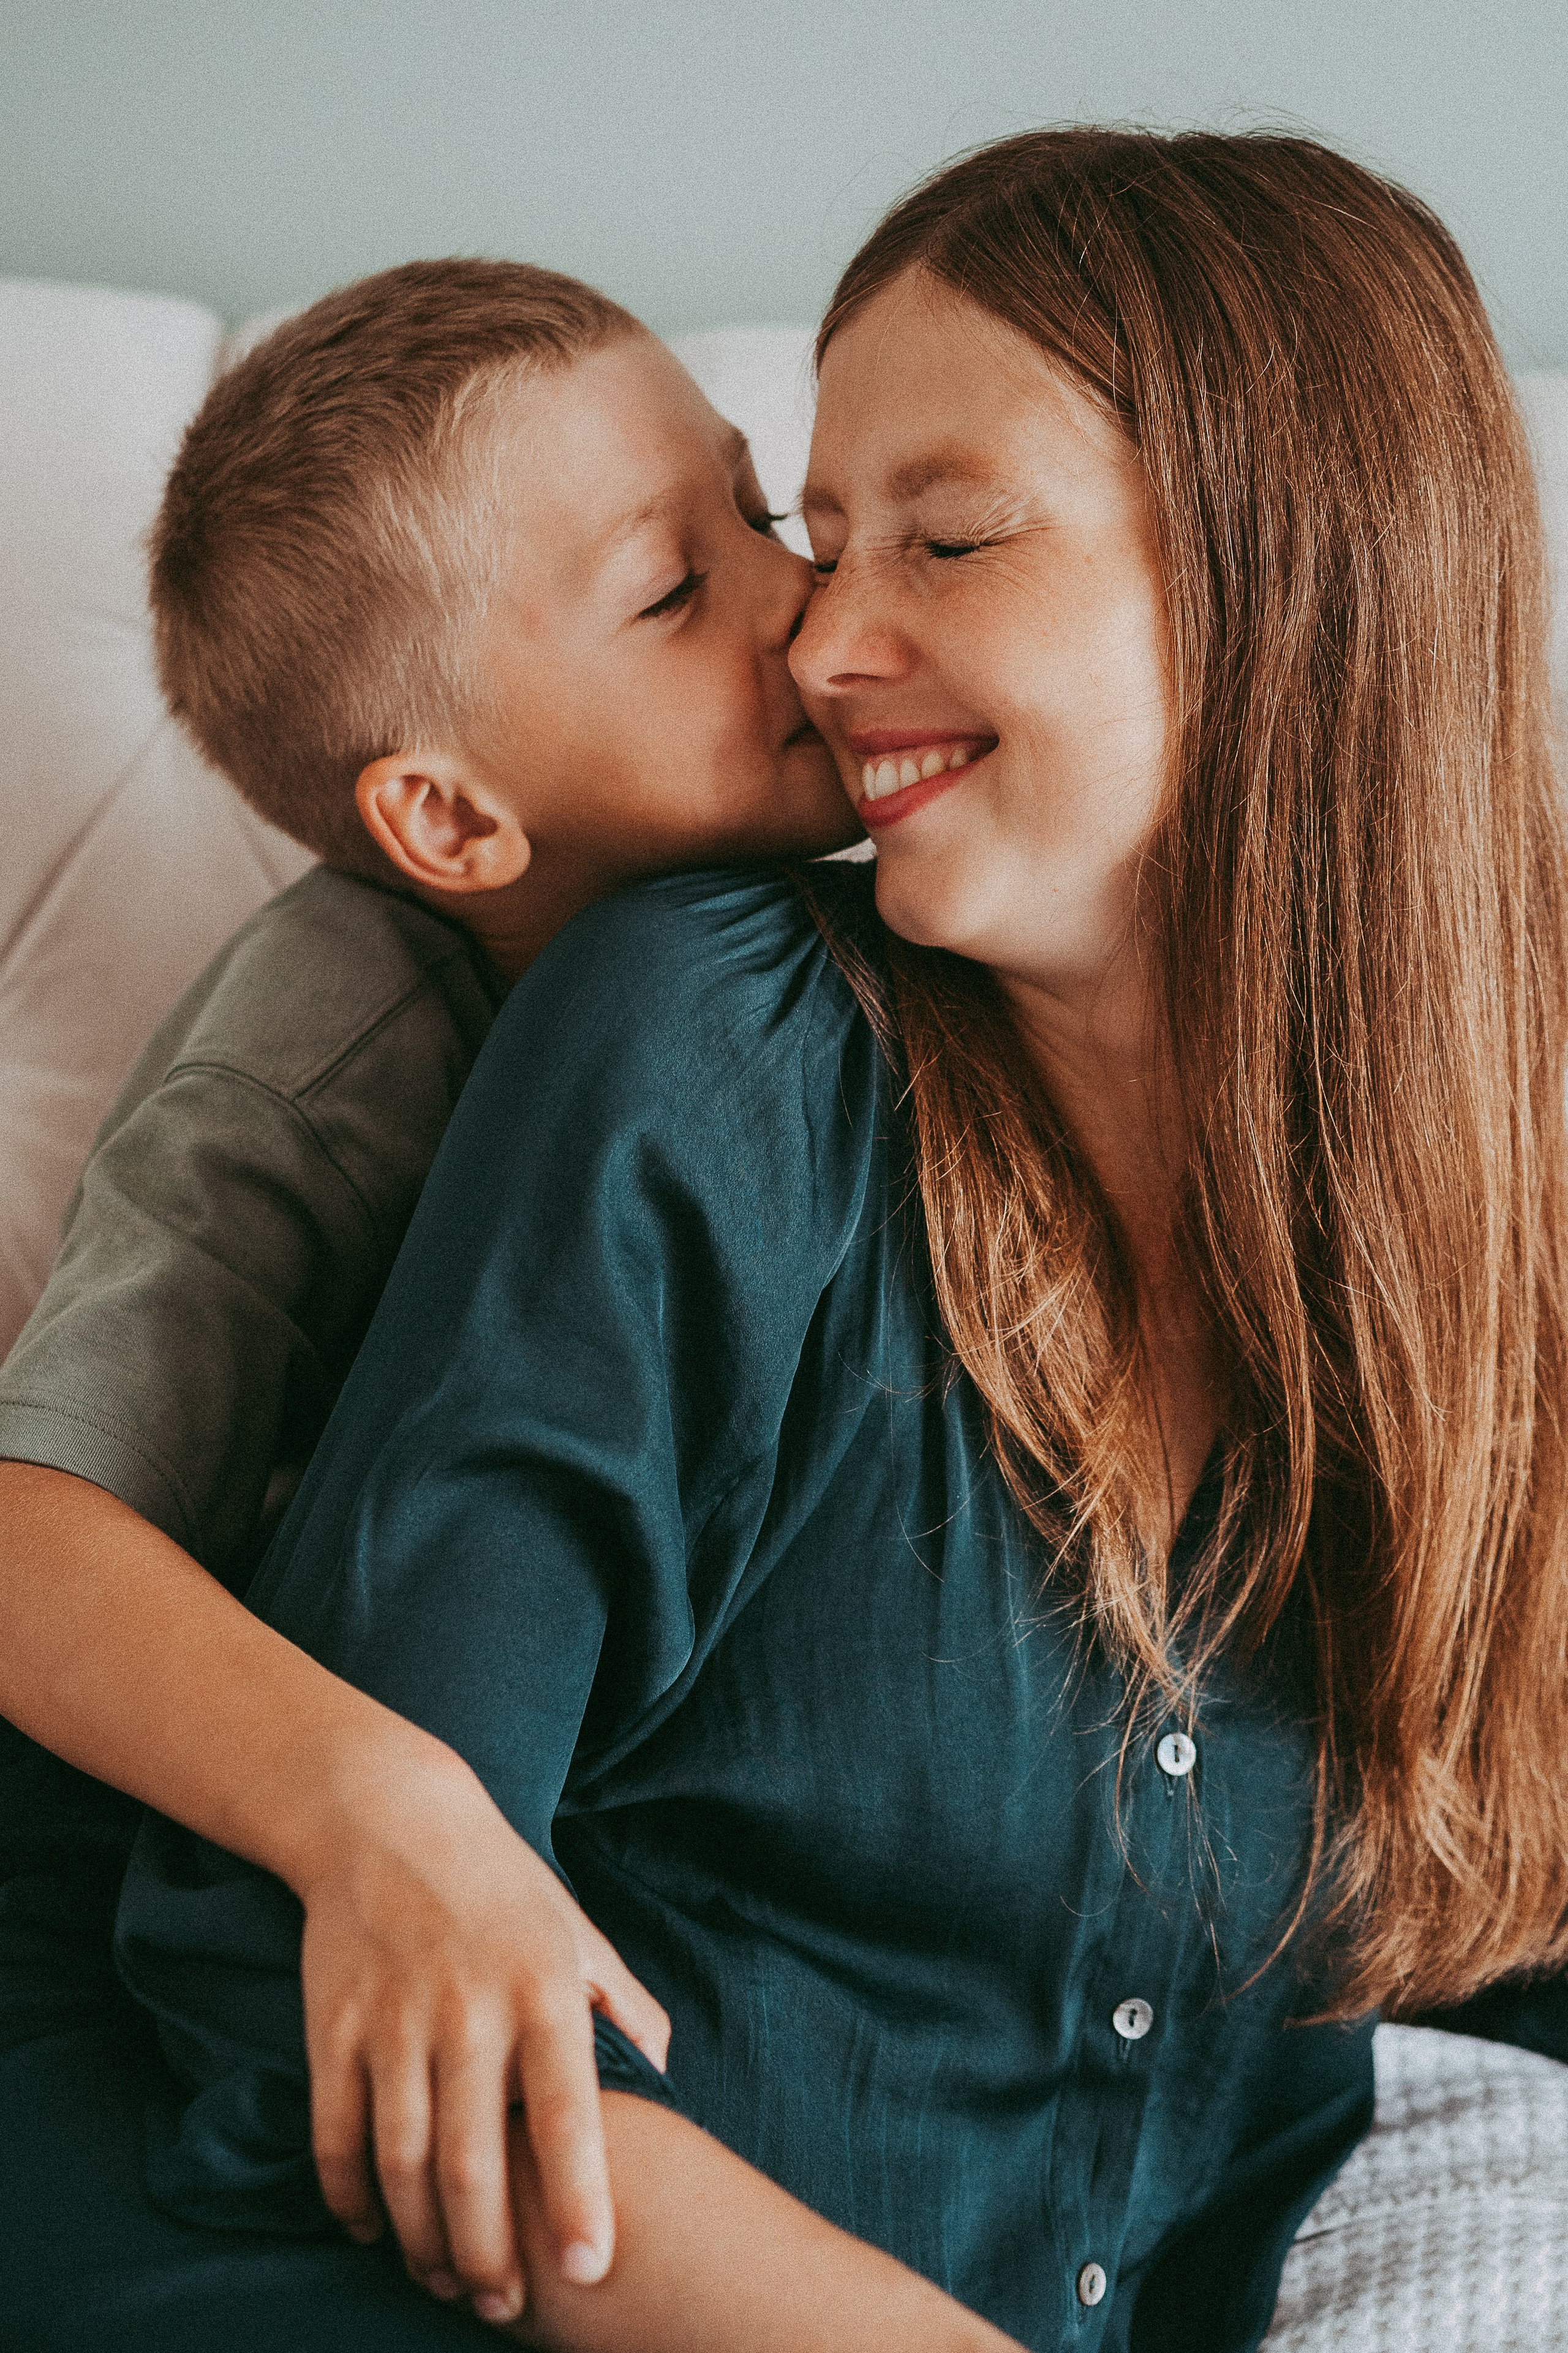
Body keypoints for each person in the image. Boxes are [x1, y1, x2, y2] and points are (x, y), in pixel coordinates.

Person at [16, 123, 1568, 2352]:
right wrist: (366, 1792)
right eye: (797, 544)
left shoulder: (1471, 1220)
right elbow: (255, 1922)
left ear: (1295, 576)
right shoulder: (636, 1021)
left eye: (932, 534)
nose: (826, 639)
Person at [0, 256, 864, 2331]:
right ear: (453, 816)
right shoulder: (323, 1041)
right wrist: (392, 1807)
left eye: (761, 512)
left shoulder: (834, 929)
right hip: (182, 1814)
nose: (799, 597)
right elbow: (34, 1540)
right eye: (677, 589)